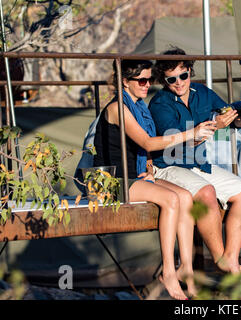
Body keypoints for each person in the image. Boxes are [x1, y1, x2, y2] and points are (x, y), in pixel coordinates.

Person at [93, 59, 217, 299]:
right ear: (124, 82)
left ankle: (187, 269)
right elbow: (147, 142)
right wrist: (191, 133)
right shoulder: (118, 107)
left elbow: (145, 149)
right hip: (109, 180)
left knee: (184, 196)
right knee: (171, 199)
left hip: (135, 173)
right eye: (141, 80)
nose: (146, 84)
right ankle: (168, 272)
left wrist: (149, 165)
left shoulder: (139, 106)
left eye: (149, 79)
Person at [149, 47, 241, 274]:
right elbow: (175, 144)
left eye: (183, 75)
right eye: (171, 79)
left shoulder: (203, 92)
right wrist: (216, 126)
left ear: (190, 71)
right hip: (168, 164)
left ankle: (231, 258)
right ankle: (220, 259)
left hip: (198, 163)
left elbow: (228, 115)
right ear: (164, 80)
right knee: (206, 192)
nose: (179, 83)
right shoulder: (159, 104)